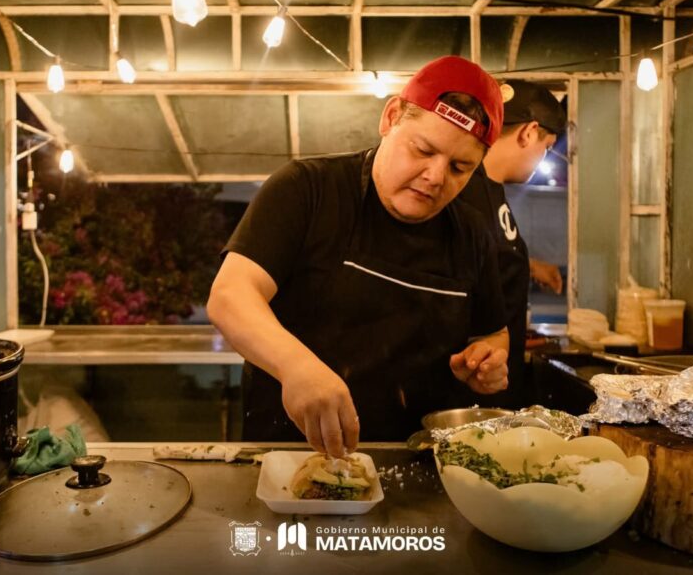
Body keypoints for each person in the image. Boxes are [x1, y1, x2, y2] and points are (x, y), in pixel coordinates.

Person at [208, 56, 510, 456]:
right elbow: (230, 296)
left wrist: (488, 361)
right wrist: (296, 365)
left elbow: (492, 332)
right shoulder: (307, 190)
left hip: (417, 460)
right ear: (390, 118)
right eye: (422, 150)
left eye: (459, 167)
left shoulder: (472, 233)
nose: (436, 177)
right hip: (292, 456)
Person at [455, 81, 566, 407]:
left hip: (496, 373)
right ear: (529, 133)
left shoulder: (490, 187)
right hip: (474, 385)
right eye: (546, 147)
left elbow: (485, 257)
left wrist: (529, 265)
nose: (541, 157)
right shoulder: (464, 190)